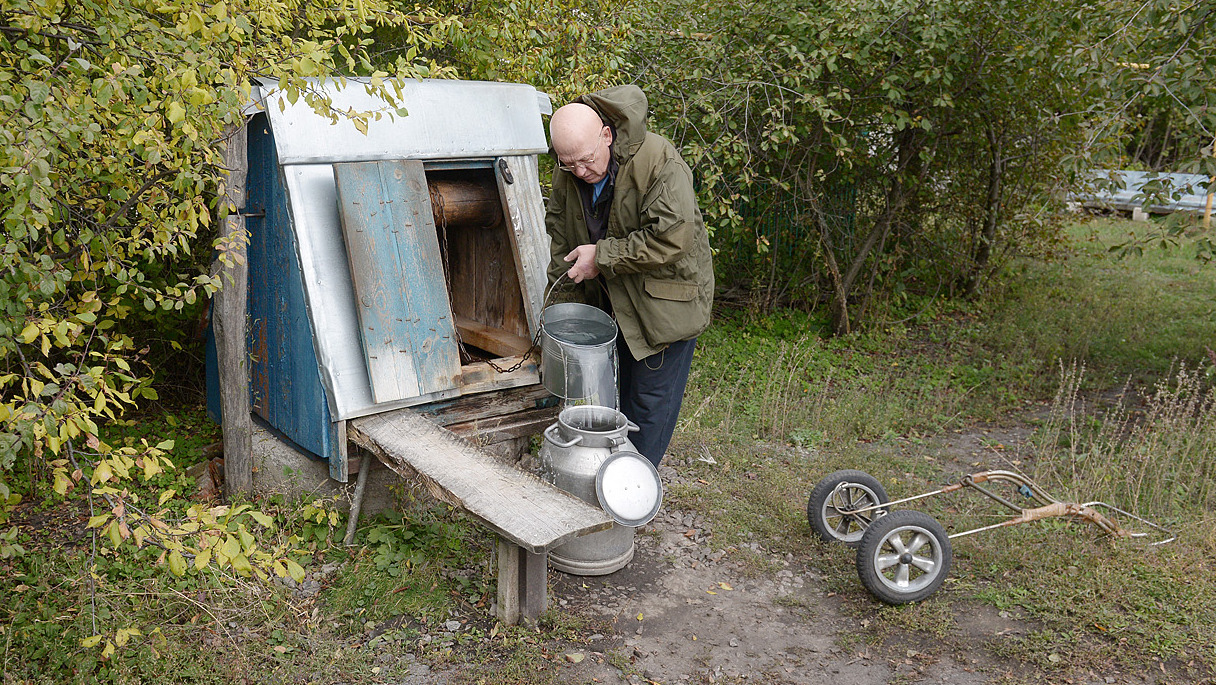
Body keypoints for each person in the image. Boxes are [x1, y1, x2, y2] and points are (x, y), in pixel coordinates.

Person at [545, 84, 714, 467]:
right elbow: (563, 248)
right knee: (613, 402)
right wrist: (556, 317)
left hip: (663, 310)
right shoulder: (569, 169)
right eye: (567, 163)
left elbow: (672, 239)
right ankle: (608, 481)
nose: (580, 171)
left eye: (586, 160)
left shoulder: (659, 161)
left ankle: (632, 495)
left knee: (647, 409)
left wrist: (601, 256)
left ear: (606, 134)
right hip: (611, 307)